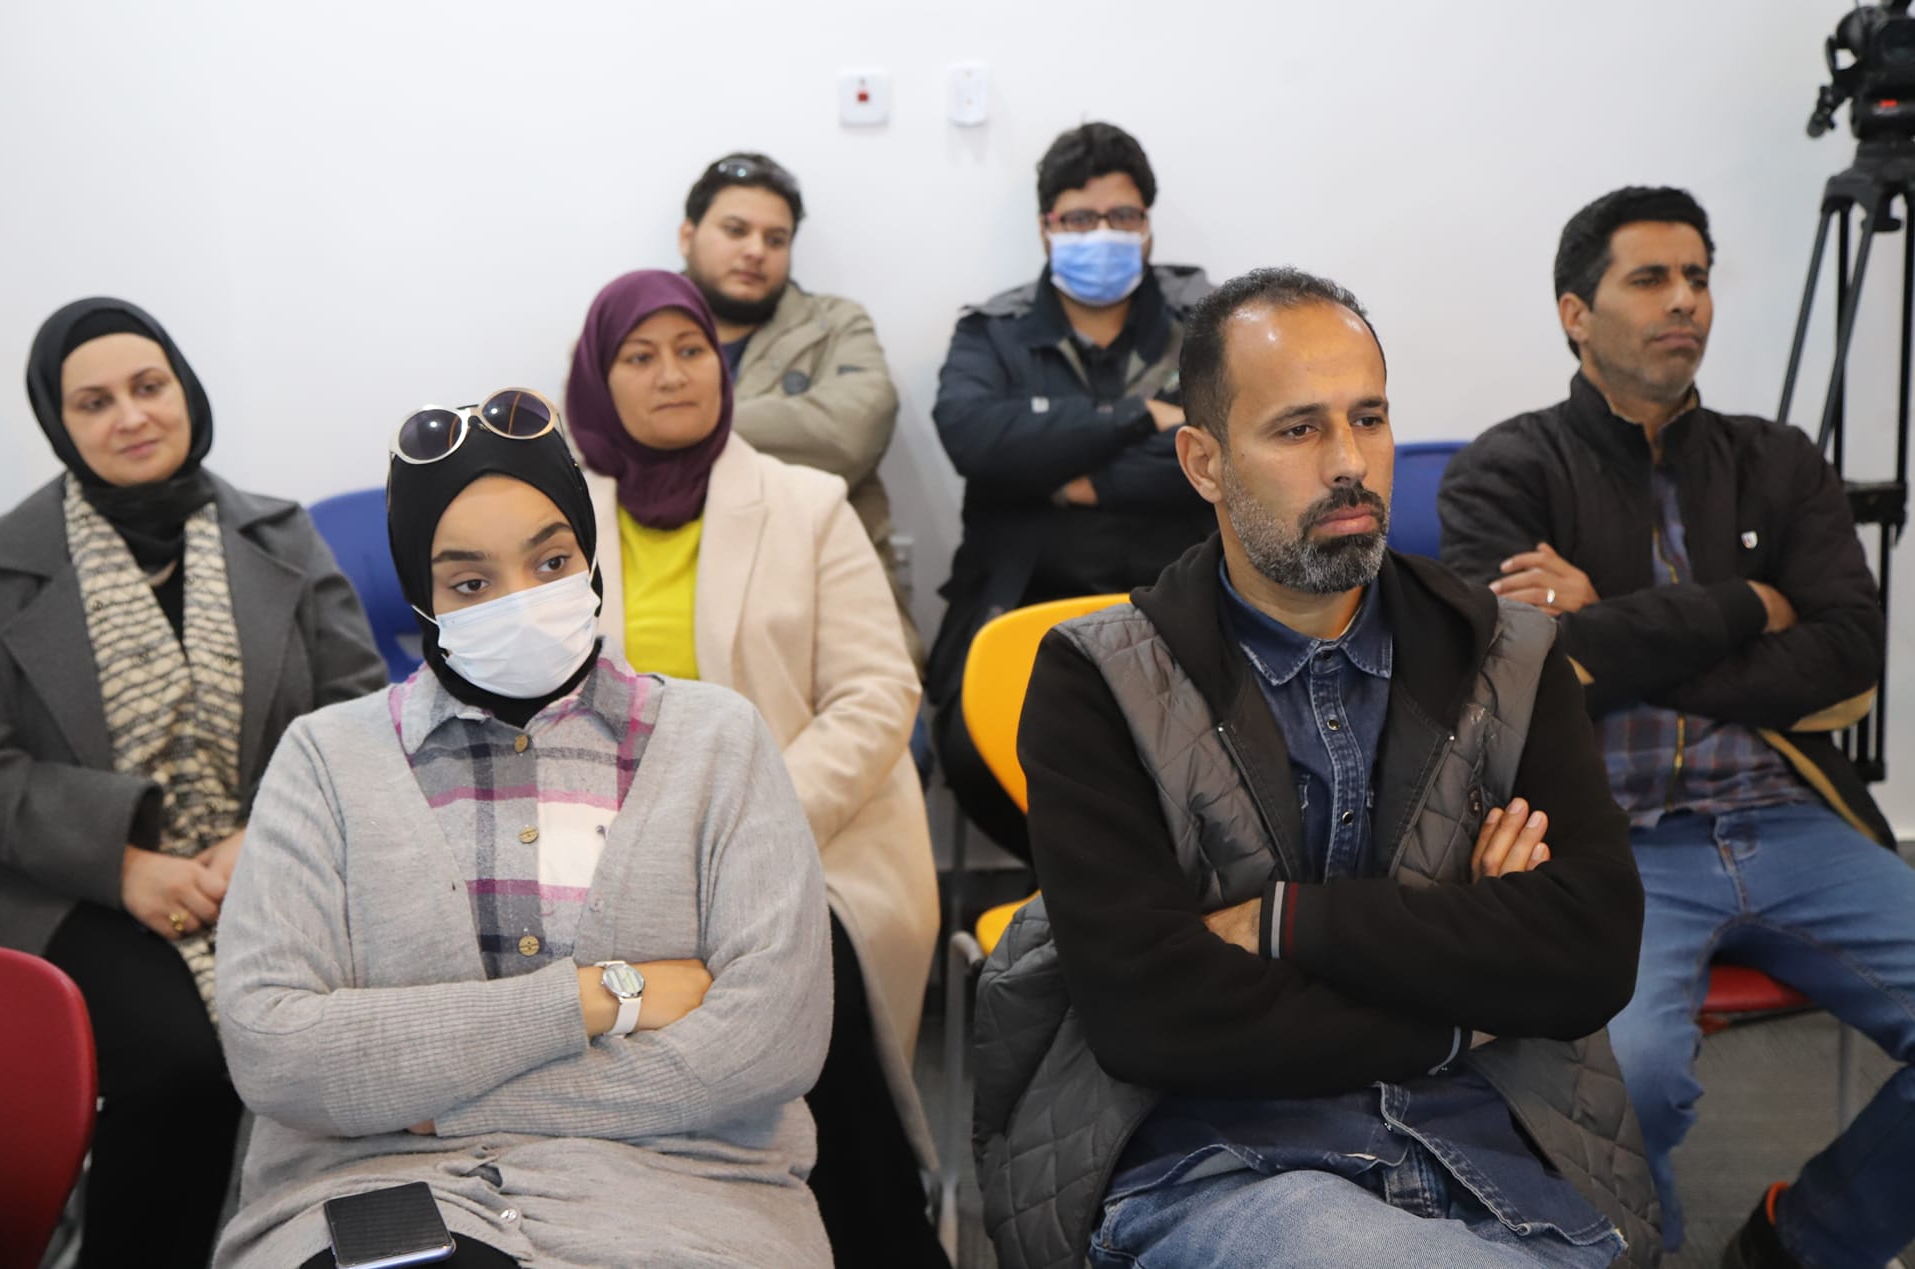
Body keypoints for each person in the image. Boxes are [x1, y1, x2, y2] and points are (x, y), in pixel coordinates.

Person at [974, 267, 1661, 1269]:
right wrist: (1465, 994)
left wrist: (1282, 926)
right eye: (1298, 429)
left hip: (1494, 1165)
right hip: (1226, 1163)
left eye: (1368, 419)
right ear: (1203, 462)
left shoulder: (1510, 656)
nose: (1349, 463)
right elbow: (1152, 1014)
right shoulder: (1099, 679)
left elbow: (1589, 955)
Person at [211, 389, 835, 1269]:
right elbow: (276, 1048)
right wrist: (594, 998)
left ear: (589, 556)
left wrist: (442, 1101)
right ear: (422, 597)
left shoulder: (720, 741)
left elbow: (769, 1042)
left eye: (551, 561)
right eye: (471, 582)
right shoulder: (323, 759)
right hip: (376, 1190)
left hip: (682, 1199)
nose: (522, 599)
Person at [1439, 186, 1915, 1269]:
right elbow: (1518, 675)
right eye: (1650, 278)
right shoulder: (1505, 471)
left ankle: (1802, 1243)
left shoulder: (1776, 461)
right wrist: (1748, 602)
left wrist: (1605, 622)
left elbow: (1848, 647)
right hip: (1609, 844)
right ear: (1575, 313)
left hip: (1784, 817)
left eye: (1696, 277)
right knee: (1630, 1086)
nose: (1685, 300)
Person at [0, 297, 387, 1269]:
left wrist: (265, 836)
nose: (130, 417)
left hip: (272, 853)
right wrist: (124, 866)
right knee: (183, 1066)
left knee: (363, 1030)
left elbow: (358, 702)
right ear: (59, 424)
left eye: (148, 386)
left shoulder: (280, 534)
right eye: (94, 402)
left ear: (185, 393)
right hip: (68, 885)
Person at [563, 270, 946, 1269]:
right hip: (604, 851)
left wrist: (752, 834)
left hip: (806, 836)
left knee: (800, 976)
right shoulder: (556, 524)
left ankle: (875, 1236)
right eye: (639, 357)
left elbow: (876, 693)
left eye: (690, 351)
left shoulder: (807, 503)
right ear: (598, 378)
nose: (672, 375)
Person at [930, 120, 1214, 862]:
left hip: (1179, 595)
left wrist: (1065, 477)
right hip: (1019, 594)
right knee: (975, 753)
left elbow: (1223, 452)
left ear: (1148, 225)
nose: (1103, 234)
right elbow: (974, 440)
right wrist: (1139, 417)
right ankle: (1094, 894)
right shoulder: (993, 331)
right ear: (1046, 227)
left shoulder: (1207, 324)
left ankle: (1140, 896)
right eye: (1080, 218)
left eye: (1122, 215)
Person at [678, 151, 922, 667]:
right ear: (687, 236)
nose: (755, 251)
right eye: (736, 230)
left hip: (828, 605)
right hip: (675, 596)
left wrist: (676, 426)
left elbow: (850, 435)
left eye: (776, 239)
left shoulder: (836, 325)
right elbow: (593, 440)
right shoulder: (631, 329)